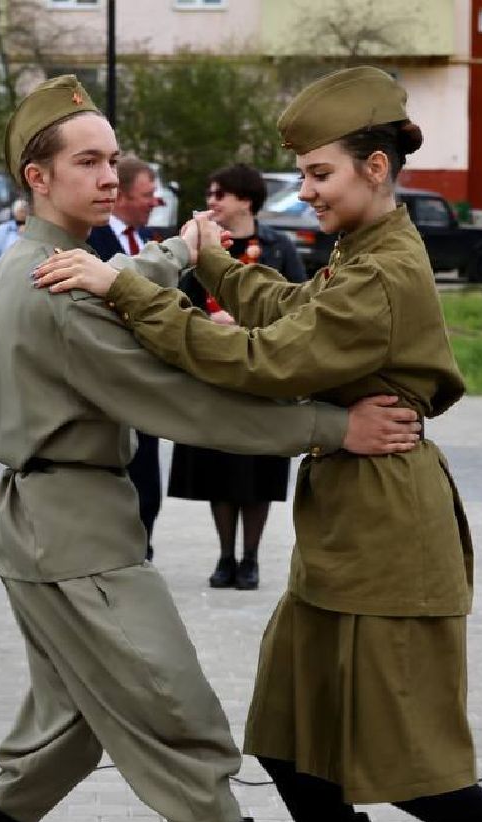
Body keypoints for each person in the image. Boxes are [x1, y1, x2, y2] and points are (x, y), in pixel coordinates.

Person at [33, 66, 482, 822]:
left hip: (391, 535)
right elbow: (294, 317)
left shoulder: (385, 269)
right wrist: (215, 262)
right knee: (291, 745)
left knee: (414, 760)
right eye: (300, 174)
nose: (303, 189)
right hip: (342, 528)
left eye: (317, 173)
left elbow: (267, 362)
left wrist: (126, 290)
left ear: (376, 167)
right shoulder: (362, 248)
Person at [0, 75, 421, 822]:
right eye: (86, 160)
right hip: (78, 545)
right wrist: (332, 427)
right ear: (38, 177)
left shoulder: (55, 258)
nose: (108, 172)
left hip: (53, 529)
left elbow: (131, 280)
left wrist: (184, 249)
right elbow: (181, 403)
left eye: (110, 156)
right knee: (190, 736)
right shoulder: (55, 291)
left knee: (53, 745)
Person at [169, 164, 306, 592]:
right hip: (215, 375)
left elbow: (298, 308)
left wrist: (248, 321)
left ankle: (251, 558)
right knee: (219, 468)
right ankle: (225, 556)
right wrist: (210, 322)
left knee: (258, 470)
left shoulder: (279, 247)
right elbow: (180, 304)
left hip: (263, 375)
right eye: (210, 194)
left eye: (219, 195)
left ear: (245, 200)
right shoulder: (201, 249)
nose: (211, 203)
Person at [87, 156, 164, 558]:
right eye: (148, 194)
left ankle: (142, 551)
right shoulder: (89, 243)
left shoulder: (147, 240)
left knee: (148, 486)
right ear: (121, 196)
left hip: (147, 387)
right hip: (109, 387)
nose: (155, 202)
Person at [0, 199, 28, 270]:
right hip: (4, 269)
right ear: (15, 212)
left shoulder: (32, 229)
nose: (24, 214)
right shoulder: (3, 229)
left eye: (26, 212)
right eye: (21, 211)